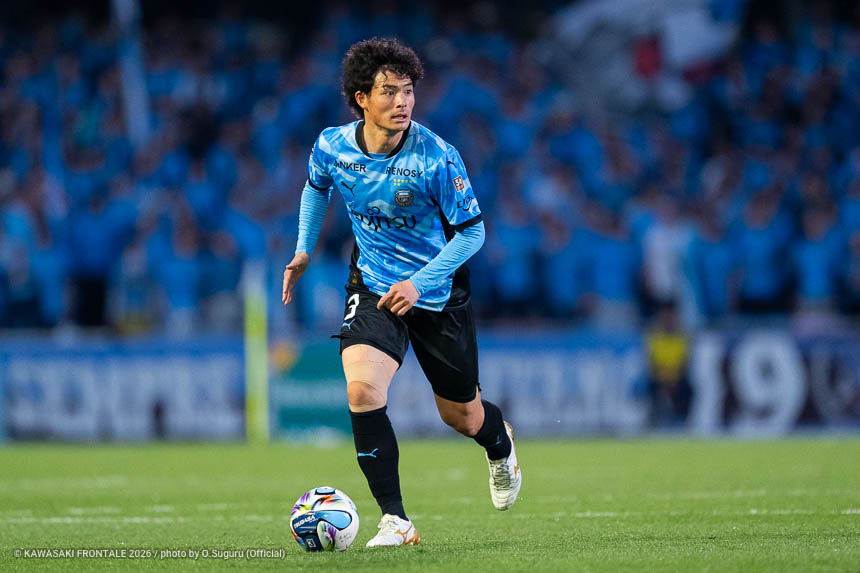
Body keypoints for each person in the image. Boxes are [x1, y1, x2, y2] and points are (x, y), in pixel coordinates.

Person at [281, 37, 521, 547]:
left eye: (408, 90)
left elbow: (473, 234)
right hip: (372, 284)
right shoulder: (332, 146)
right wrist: (303, 248)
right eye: (388, 92)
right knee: (362, 391)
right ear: (361, 98)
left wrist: (419, 282)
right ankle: (396, 520)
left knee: (462, 416)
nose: (402, 102)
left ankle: (499, 444)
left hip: (436, 291)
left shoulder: (437, 157)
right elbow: (315, 186)